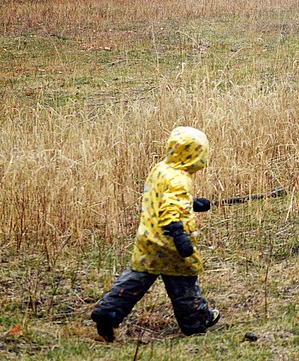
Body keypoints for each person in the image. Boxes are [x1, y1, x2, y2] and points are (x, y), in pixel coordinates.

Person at [91, 126, 219, 342]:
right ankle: (196, 320)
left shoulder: (160, 169)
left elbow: (164, 198)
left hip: (148, 239)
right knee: (184, 283)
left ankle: (108, 312)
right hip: (170, 246)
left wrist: (191, 203)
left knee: (137, 278)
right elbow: (170, 210)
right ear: (193, 155)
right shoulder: (180, 178)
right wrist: (180, 237)